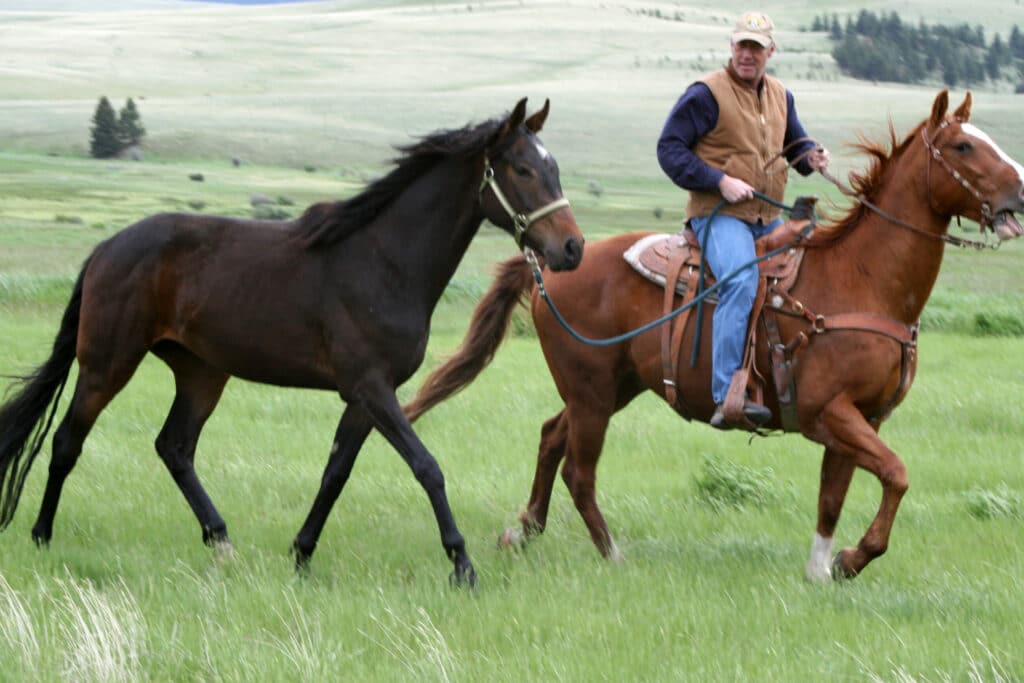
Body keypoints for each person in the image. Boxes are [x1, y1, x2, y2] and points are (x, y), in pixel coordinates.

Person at [656, 10, 830, 430]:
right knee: (741, 279)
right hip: (720, 216)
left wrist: (811, 157)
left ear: (771, 50)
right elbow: (669, 149)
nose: (747, 55)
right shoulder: (705, 94)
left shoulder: (780, 96)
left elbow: (795, 146)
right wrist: (718, 180)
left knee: (817, 265)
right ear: (731, 47)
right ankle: (725, 394)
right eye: (741, 46)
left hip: (769, 216)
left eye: (755, 47)